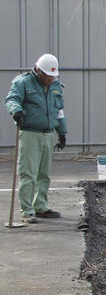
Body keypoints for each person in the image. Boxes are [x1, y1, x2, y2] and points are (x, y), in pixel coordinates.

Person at [4, 54, 68, 223]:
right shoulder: (23, 83)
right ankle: (27, 210)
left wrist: (62, 131)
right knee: (28, 173)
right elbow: (12, 99)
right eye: (47, 75)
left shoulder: (55, 85)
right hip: (30, 133)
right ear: (38, 71)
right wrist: (16, 110)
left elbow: (59, 110)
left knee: (43, 174)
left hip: (47, 134)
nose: (50, 79)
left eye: (53, 76)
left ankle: (41, 206)